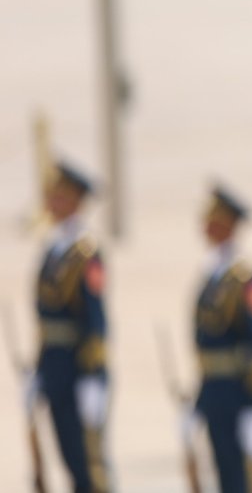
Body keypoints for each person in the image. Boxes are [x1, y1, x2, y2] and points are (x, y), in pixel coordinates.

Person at [32, 160, 109, 492]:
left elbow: (95, 320)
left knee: (88, 465)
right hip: (55, 365)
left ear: (74, 201)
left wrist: (93, 375)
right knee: (66, 456)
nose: (51, 203)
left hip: (79, 368)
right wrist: (39, 369)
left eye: (58, 197)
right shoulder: (53, 249)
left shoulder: (85, 254)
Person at [193, 185, 252, 493]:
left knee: (244, 478)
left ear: (226, 225)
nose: (205, 225)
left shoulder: (244, 278)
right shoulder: (213, 273)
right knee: (224, 472)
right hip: (215, 391)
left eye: (212, 220)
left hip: (238, 393)